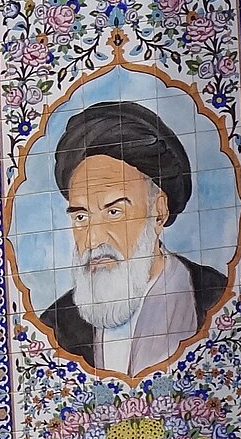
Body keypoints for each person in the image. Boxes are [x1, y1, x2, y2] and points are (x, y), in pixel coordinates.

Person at [37, 100, 227, 375]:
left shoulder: (217, 298)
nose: (93, 240)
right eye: (81, 217)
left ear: (158, 213)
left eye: (114, 212)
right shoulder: (57, 326)